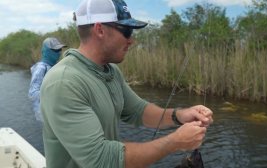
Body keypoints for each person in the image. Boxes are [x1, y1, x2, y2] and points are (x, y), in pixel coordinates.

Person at [40, 0, 213, 167]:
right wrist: (174, 142)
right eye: (127, 31)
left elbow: (138, 111)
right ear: (99, 29)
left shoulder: (111, 71)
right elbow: (101, 160)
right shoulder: (64, 82)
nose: (132, 40)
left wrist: (180, 115)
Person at [28, 37, 67, 122]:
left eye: (60, 49)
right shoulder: (41, 68)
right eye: (55, 50)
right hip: (46, 115)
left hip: (55, 112)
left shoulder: (54, 66)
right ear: (46, 51)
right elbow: (32, 93)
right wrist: (52, 94)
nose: (59, 52)